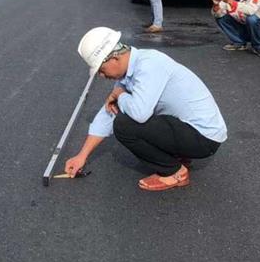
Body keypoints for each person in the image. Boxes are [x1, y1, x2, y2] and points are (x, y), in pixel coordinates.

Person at [65, 27, 227, 191]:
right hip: (190, 130)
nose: (101, 75)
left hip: (204, 138)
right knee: (125, 111)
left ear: (113, 58)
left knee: (124, 125)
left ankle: (174, 172)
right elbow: (108, 113)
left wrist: (120, 95)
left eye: (100, 69)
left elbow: (139, 114)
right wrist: (81, 156)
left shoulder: (149, 65)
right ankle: (178, 154)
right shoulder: (130, 71)